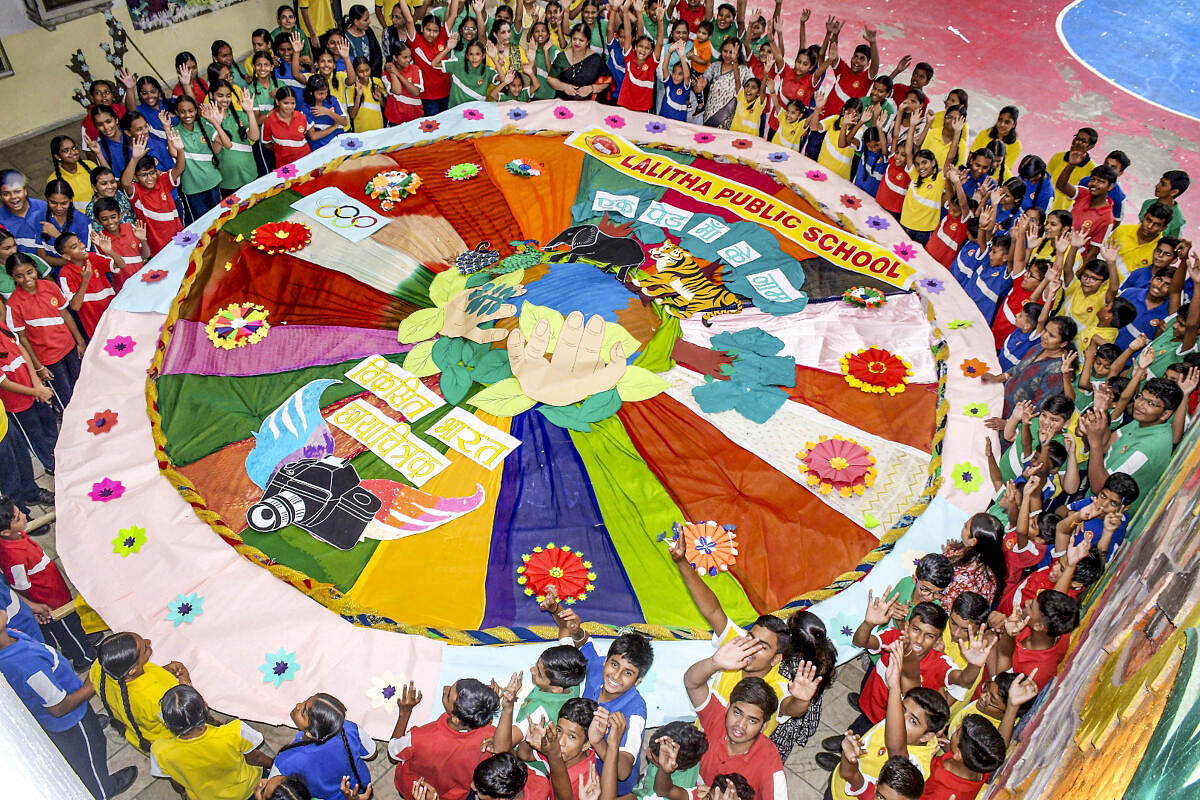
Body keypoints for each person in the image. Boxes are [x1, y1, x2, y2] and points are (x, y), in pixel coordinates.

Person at [0, 607, 138, 799]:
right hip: (70, 719)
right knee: (91, 756)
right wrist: (91, 685)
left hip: (72, 701)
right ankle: (103, 789)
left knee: (92, 738)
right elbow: (59, 707)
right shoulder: (26, 665)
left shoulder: (9, 635)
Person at [667, 533, 793, 734]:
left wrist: (803, 700)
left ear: (776, 659)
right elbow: (713, 611)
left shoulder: (779, 688)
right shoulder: (737, 644)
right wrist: (682, 562)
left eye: (762, 646)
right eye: (751, 638)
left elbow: (791, 707)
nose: (750, 647)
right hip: (699, 744)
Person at [545, 592, 650, 797]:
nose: (616, 676)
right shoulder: (596, 668)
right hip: (579, 770)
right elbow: (582, 640)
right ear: (606, 661)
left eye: (628, 673)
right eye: (614, 664)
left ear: (638, 681)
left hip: (610, 791)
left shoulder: (635, 711)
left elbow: (622, 772)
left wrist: (598, 741)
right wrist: (558, 611)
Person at [827, 642, 949, 792]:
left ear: (927, 736)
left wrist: (894, 688)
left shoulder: (918, 768)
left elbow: (896, 750)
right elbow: (912, 682)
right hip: (844, 775)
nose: (899, 717)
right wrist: (907, 652)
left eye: (913, 720)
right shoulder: (906, 715)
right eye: (902, 709)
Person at [684, 640, 786, 800]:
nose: (740, 725)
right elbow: (692, 683)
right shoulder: (718, 716)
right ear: (728, 707)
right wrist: (714, 663)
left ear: (764, 726)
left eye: (752, 721)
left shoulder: (769, 765)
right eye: (737, 713)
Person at [0, 498, 95, 668]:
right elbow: (21, 586)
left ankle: (76, 642)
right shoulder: (13, 557)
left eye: (19, 512)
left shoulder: (16, 535)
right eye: (17, 518)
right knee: (66, 626)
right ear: (5, 533)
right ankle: (84, 656)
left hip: (54, 589)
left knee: (71, 625)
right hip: (49, 601)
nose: (23, 515)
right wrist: (36, 606)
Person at [1080, 375, 1182, 514]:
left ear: (1166, 414)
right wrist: (1101, 410)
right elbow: (1107, 446)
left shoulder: (1147, 448)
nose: (1140, 404)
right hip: (1093, 501)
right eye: (1140, 397)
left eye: (1151, 403)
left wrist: (1094, 443)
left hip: (1102, 514)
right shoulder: (1144, 421)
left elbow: (1100, 488)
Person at [151, 684, 272, 799]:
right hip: (251, 789)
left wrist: (183, 793)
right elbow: (255, 758)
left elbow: (175, 781)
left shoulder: (159, 751)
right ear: (206, 706)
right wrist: (274, 765)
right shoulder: (235, 732)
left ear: (166, 725)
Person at [388, 678, 499, 799]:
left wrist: (405, 713)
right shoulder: (491, 734)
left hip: (422, 792)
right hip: (457, 794)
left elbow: (393, 751)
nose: (445, 688)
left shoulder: (419, 738)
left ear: (456, 719)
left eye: (448, 695)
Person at [4, 254, 87, 407]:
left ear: (35, 269)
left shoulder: (50, 287)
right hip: (48, 359)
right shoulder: (13, 305)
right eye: (19, 276)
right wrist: (38, 367)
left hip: (69, 348)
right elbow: (22, 339)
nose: (27, 278)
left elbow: (66, 315)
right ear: (12, 277)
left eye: (29, 272)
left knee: (81, 385)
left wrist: (80, 341)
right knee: (66, 399)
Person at [91, 631, 187, 753]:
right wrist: (185, 681)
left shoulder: (100, 667)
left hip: (137, 735)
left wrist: (164, 671)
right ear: (133, 670)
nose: (148, 642)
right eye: (145, 648)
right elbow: (186, 717)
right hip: (168, 746)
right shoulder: (157, 698)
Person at [272, 693, 376, 800]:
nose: (298, 705)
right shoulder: (350, 729)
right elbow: (371, 754)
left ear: (309, 734)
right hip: (360, 786)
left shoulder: (284, 761)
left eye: (303, 712)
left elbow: (273, 793)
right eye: (305, 701)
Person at [769, 610, 836, 760]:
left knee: (772, 750)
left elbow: (787, 707)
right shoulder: (825, 653)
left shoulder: (787, 668)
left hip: (787, 718)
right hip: (807, 708)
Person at [120, 133, 186, 256]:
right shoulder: (136, 192)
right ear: (135, 177)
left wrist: (180, 150)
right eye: (144, 175)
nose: (149, 178)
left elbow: (179, 169)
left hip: (177, 237)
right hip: (157, 247)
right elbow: (125, 183)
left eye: (152, 173)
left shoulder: (163, 181)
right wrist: (134, 159)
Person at [54, 231, 119, 337]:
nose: (82, 246)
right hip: (95, 327)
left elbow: (121, 264)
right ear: (67, 256)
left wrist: (109, 251)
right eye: (75, 246)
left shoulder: (93, 258)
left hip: (114, 315)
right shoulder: (65, 275)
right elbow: (75, 306)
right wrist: (85, 280)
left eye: (79, 242)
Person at [171, 96, 223, 222]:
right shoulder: (174, 132)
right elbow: (174, 154)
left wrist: (217, 123)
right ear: (177, 112)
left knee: (220, 218)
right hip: (193, 189)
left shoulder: (205, 125)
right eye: (182, 111)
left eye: (191, 110)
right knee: (202, 223)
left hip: (213, 182)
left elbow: (219, 147)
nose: (187, 115)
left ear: (196, 110)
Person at [205, 81, 261, 195]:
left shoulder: (238, 115)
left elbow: (255, 136)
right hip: (229, 181)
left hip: (250, 173)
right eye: (220, 95)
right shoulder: (207, 120)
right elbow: (218, 149)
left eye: (228, 95)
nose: (225, 99)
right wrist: (217, 124)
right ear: (211, 95)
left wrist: (250, 112)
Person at [398, 3, 454, 114]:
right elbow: (409, 20)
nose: (432, 34)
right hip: (427, 96)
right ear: (422, 28)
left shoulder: (442, 37)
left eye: (435, 31)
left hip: (446, 92)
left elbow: (453, 15)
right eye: (428, 30)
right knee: (432, 128)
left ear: (440, 31)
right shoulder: (416, 42)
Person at [942, 512, 1008, 607]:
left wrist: (946, 556)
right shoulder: (990, 568)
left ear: (973, 541)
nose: (964, 524)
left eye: (966, 526)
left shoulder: (965, 577)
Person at [634, 721, 709, 799]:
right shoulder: (691, 753)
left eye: (653, 757)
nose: (648, 753)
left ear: (673, 766)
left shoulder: (658, 796)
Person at [548, 23, 611, 101]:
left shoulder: (596, 59)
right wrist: (564, 87)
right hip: (563, 106)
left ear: (587, 42)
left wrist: (592, 88)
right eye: (574, 39)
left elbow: (607, 81)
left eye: (581, 40)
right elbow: (551, 78)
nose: (577, 43)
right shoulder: (562, 57)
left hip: (588, 105)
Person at [700, 37, 754, 128]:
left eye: (731, 52)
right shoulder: (715, 66)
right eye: (725, 51)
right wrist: (701, 83)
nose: (728, 55)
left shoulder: (744, 70)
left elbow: (753, 86)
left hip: (731, 117)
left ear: (738, 54)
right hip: (710, 115)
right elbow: (705, 79)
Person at [38, 179, 93, 269]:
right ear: (47, 199)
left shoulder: (82, 221)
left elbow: (83, 258)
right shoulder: (40, 218)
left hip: (79, 272)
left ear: (71, 200)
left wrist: (57, 236)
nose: (59, 208)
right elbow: (42, 256)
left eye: (64, 203)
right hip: (54, 272)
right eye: (53, 203)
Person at [432, 36, 499, 107]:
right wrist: (448, 49)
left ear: (483, 56)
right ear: (467, 55)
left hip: (478, 111)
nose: (474, 58)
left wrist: (494, 58)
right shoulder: (457, 64)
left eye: (478, 54)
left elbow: (504, 80)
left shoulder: (487, 71)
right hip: (455, 110)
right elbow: (434, 64)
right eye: (471, 54)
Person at [810, 95, 862, 182]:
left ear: (859, 116)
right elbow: (814, 127)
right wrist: (817, 109)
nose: (850, 117)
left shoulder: (859, 130)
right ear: (843, 110)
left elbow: (845, 143)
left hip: (841, 178)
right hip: (822, 170)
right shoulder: (834, 119)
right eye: (848, 113)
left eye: (855, 115)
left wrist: (845, 125)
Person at [0, 171, 50, 257]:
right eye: (6, 194)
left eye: (17, 191)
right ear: (0, 196)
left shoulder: (44, 207)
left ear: (25, 190)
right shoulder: (1, 222)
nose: (13, 197)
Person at [262, 88, 313, 168]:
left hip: (306, 161)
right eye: (286, 103)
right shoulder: (269, 121)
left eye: (293, 103)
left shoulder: (302, 117)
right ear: (277, 102)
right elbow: (267, 144)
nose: (290, 107)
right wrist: (283, 150)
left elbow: (309, 135)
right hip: (284, 166)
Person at [971, 106, 1022, 181]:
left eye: (1007, 122)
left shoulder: (1016, 145)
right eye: (1000, 120)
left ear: (1014, 124)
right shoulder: (984, 133)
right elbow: (972, 155)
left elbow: (1004, 168)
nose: (1002, 124)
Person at [49, 136, 97, 211]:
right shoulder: (54, 180)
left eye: (74, 148)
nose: (73, 152)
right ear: (58, 156)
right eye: (66, 150)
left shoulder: (90, 166)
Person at [302, 74, 350, 148]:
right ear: (311, 92)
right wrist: (334, 127)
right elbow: (313, 136)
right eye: (320, 93)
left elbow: (344, 122)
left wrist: (328, 112)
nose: (324, 96)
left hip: (338, 143)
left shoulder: (333, 100)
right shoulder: (306, 109)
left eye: (326, 92)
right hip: (320, 147)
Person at [384, 41, 426, 125]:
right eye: (405, 57)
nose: (408, 60)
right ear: (395, 58)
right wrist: (392, 73)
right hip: (395, 120)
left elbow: (415, 92)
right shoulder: (386, 74)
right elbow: (397, 91)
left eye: (410, 56)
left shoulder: (415, 69)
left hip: (416, 117)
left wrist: (398, 74)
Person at [1139, 169, 1189, 238]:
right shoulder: (1147, 203)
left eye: (1163, 184)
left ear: (1174, 192)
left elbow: (1173, 244)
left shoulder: (1178, 222)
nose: (1157, 186)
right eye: (1160, 182)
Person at [348, 57, 388, 132]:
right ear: (355, 72)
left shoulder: (377, 82)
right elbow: (352, 115)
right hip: (361, 131)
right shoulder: (351, 88)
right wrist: (358, 96)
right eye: (361, 71)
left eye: (367, 70)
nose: (365, 74)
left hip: (379, 128)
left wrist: (381, 99)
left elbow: (386, 107)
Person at [344, 4, 384, 76]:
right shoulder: (345, 37)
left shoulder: (368, 32)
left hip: (372, 75)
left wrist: (370, 72)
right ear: (356, 21)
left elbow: (377, 54)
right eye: (365, 20)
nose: (369, 21)